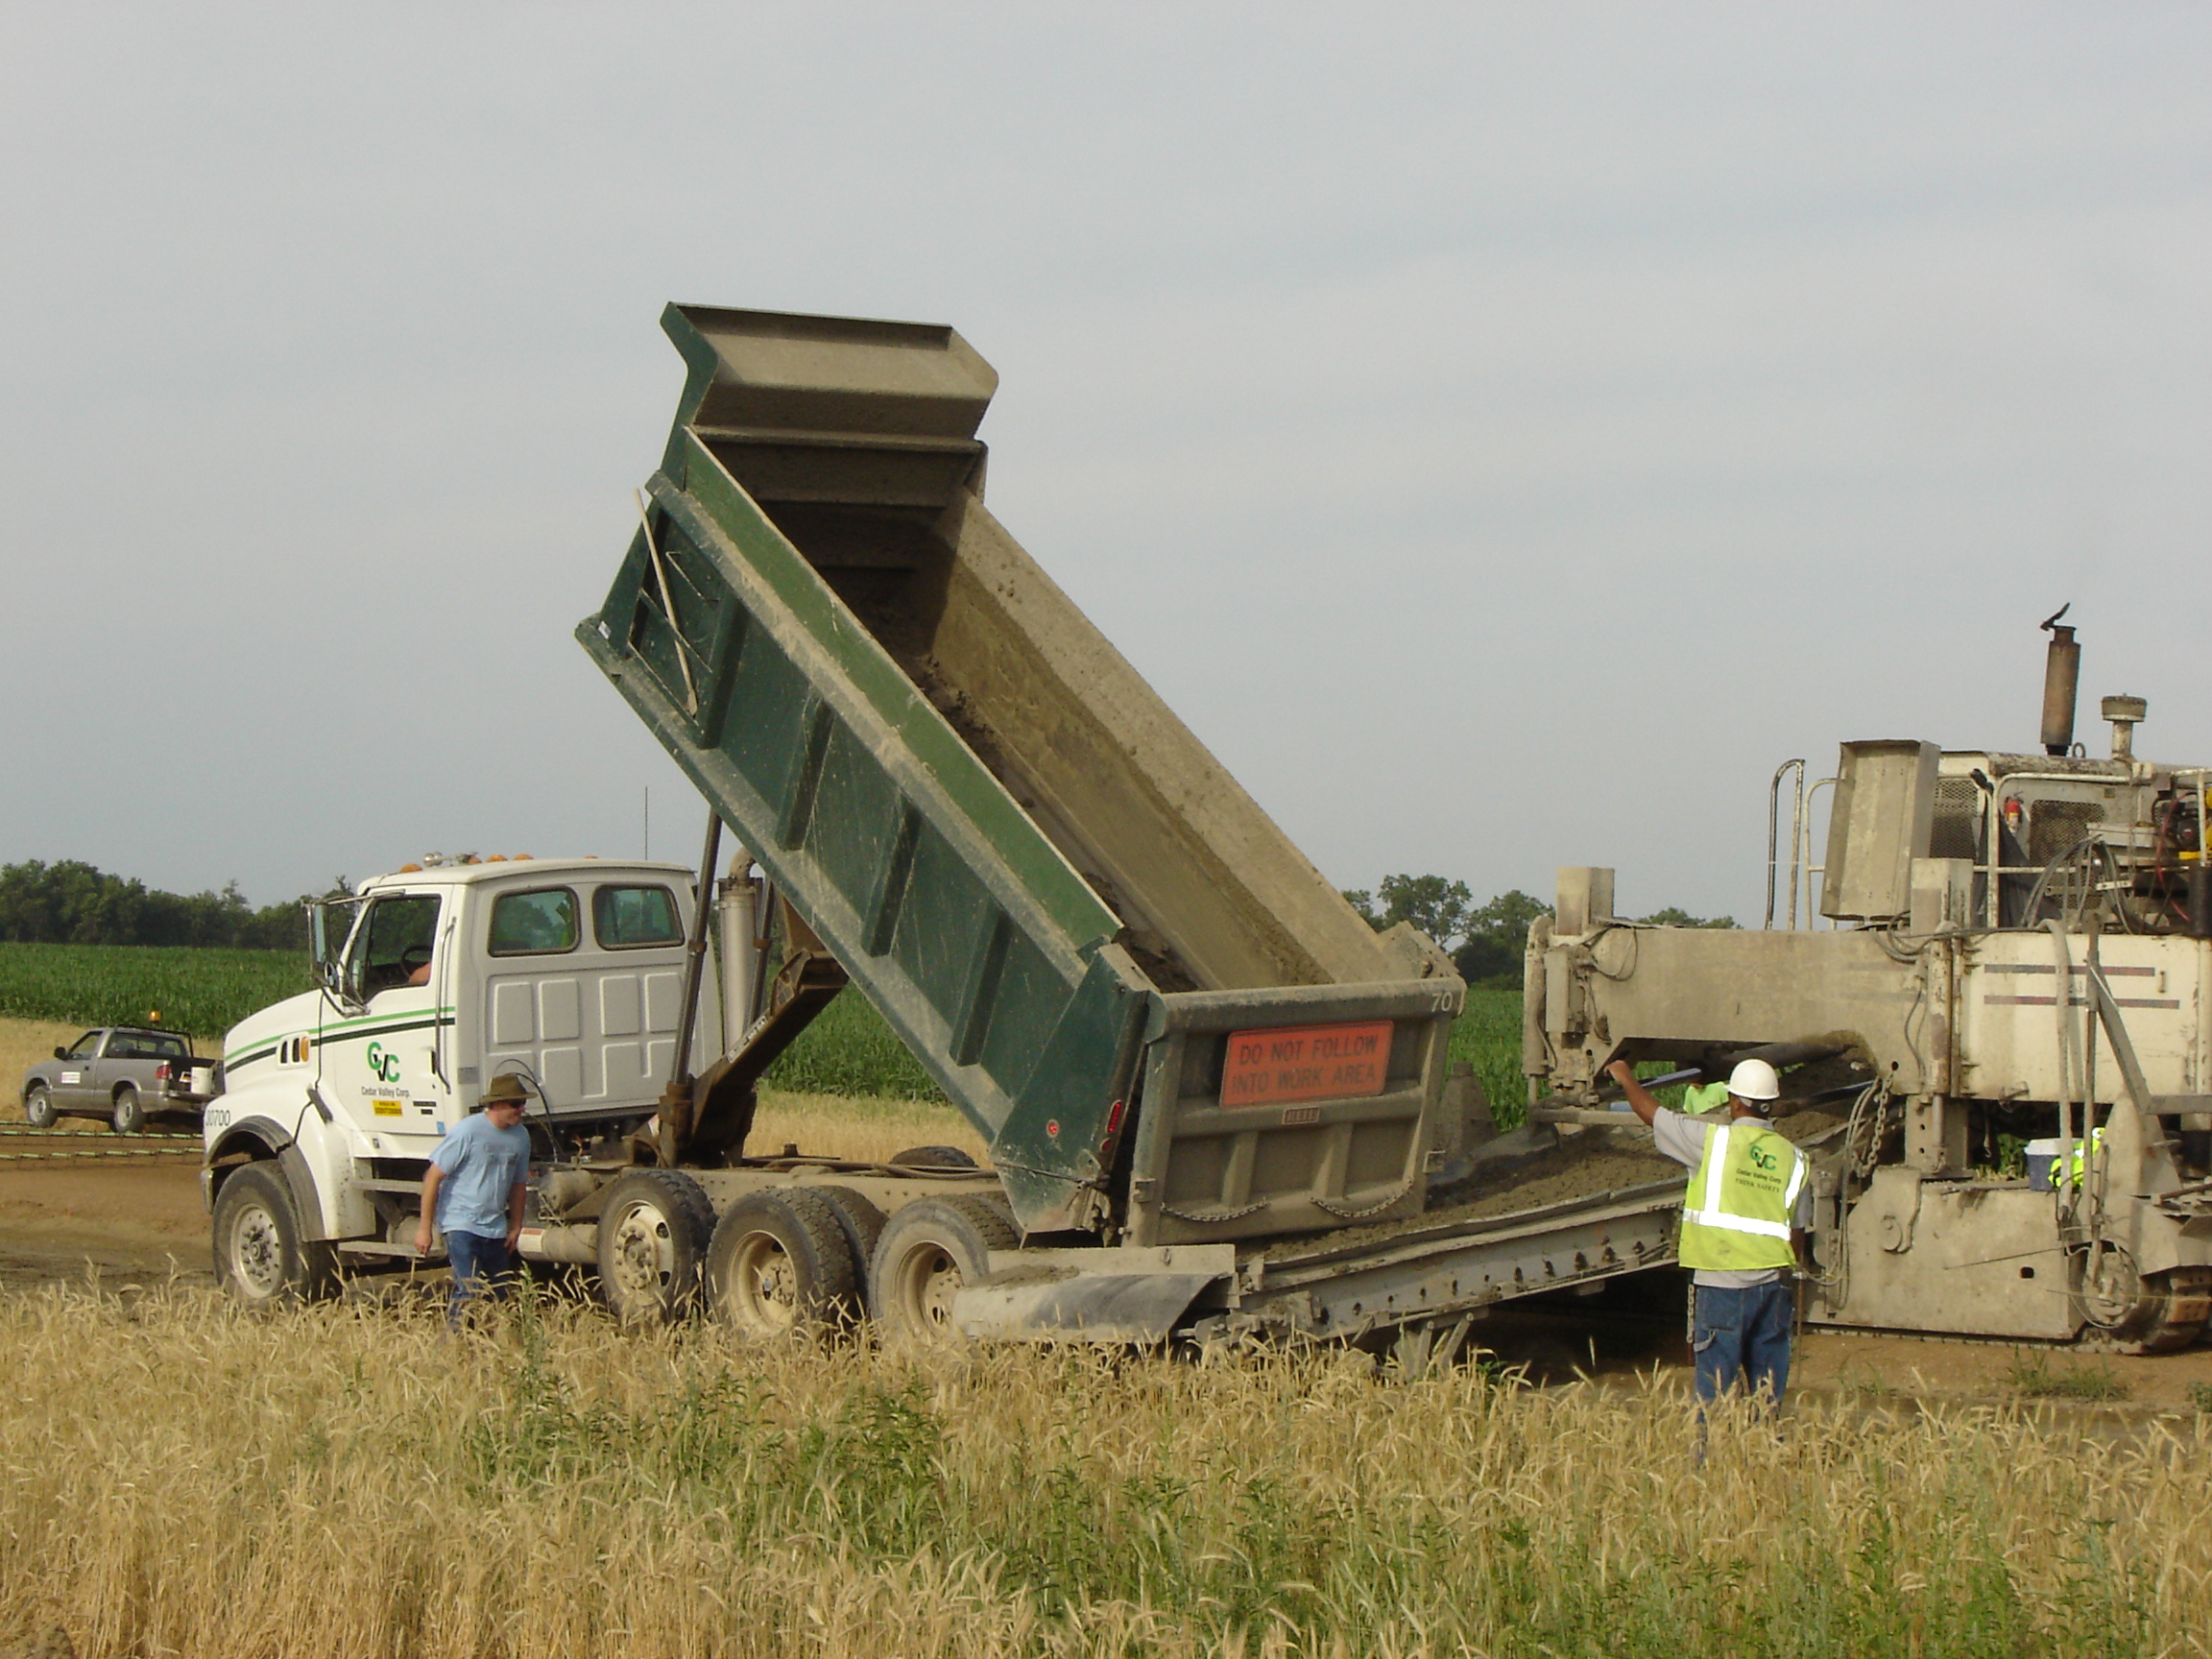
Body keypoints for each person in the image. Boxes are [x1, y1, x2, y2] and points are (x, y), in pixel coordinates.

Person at [1606, 1056, 1813, 1412]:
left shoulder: (1712, 1142)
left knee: (1713, 1395)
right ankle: (1765, 1460)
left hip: (1721, 1287)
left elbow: (1652, 1114)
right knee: (1767, 1396)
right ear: (1770, 1104)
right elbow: (1798, 1232)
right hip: (1773, 1289)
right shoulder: (1795, 1158)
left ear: (1734, 1102)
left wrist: (1624, 1075)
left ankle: (1709, 1463)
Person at [417, 1074, 533, 1326]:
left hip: (495, 1227)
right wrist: (425, 1228)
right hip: (461, 1223)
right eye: (516, 1104)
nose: (522, 1109)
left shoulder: (521, 1136)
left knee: (500, 1293)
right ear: (498, 1104)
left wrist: (516, 1226)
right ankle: (454, 1345)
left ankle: (490, 1346)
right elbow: (432, 1177)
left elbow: (518, 1184)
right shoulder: (467, 1131)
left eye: (523, 1103)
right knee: (469, 1289)